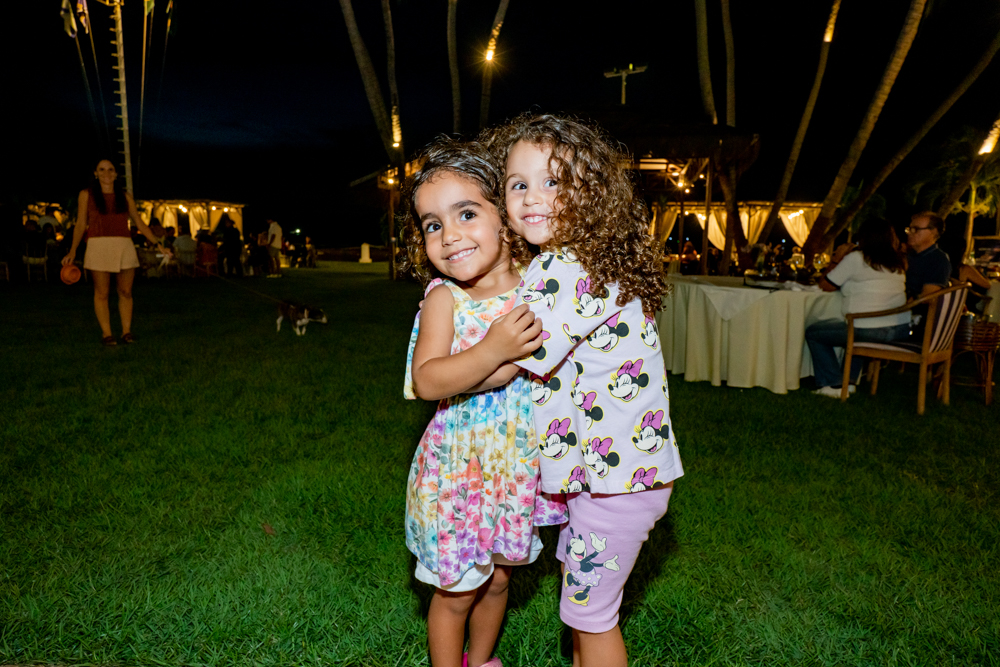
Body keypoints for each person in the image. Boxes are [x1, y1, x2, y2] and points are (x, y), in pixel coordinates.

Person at [487, 114, 684, 667]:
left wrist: (449, 371)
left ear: (590, 192)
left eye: (553, 181)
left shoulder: (560, 269)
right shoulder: (597, 259)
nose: (532, 196)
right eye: (518, 184)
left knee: (590, 617)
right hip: (618, 477)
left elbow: (510, 361)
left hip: (612, 484)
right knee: (584, 611)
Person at [401, 138, 566, 667]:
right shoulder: (445, 298)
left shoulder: (540, 288)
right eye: (432, 224)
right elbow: (429, 380)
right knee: (456, 593)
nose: (449, 236)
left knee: (497, 583)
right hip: (457, 474)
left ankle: (482, 660)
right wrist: (495, 352)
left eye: (466, 213)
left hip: (514, 469)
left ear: (505, 217)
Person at [62, 158, 169, 345]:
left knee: (126, 291)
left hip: (123, 244)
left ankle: (126, 332)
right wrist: (72, 251)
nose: (106, 173)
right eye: (102, 169)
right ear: (95, 173)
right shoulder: (86, 195)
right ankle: (107, 334)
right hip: (97, 244)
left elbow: (139, 222)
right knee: (101, 292)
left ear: (116, 174)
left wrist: (157, 243)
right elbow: (80, 224)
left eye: (110, 169)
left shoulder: (125, 196)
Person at [805, 218, 911, 397]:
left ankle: (834, 384)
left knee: (815, 333)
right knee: (858, 328)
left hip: (872, 330)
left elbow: (826, 285)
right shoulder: (898, 262)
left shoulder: (857, 258)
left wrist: (837, 259)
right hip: (899, 327)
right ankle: (850, 381)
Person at [904, 211, 951, 299]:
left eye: (915, 229)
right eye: (909, 229)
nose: (910, 233)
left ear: (933, 232)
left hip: (912, 309)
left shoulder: (938, 260)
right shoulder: (909, 255)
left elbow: (928, 298)